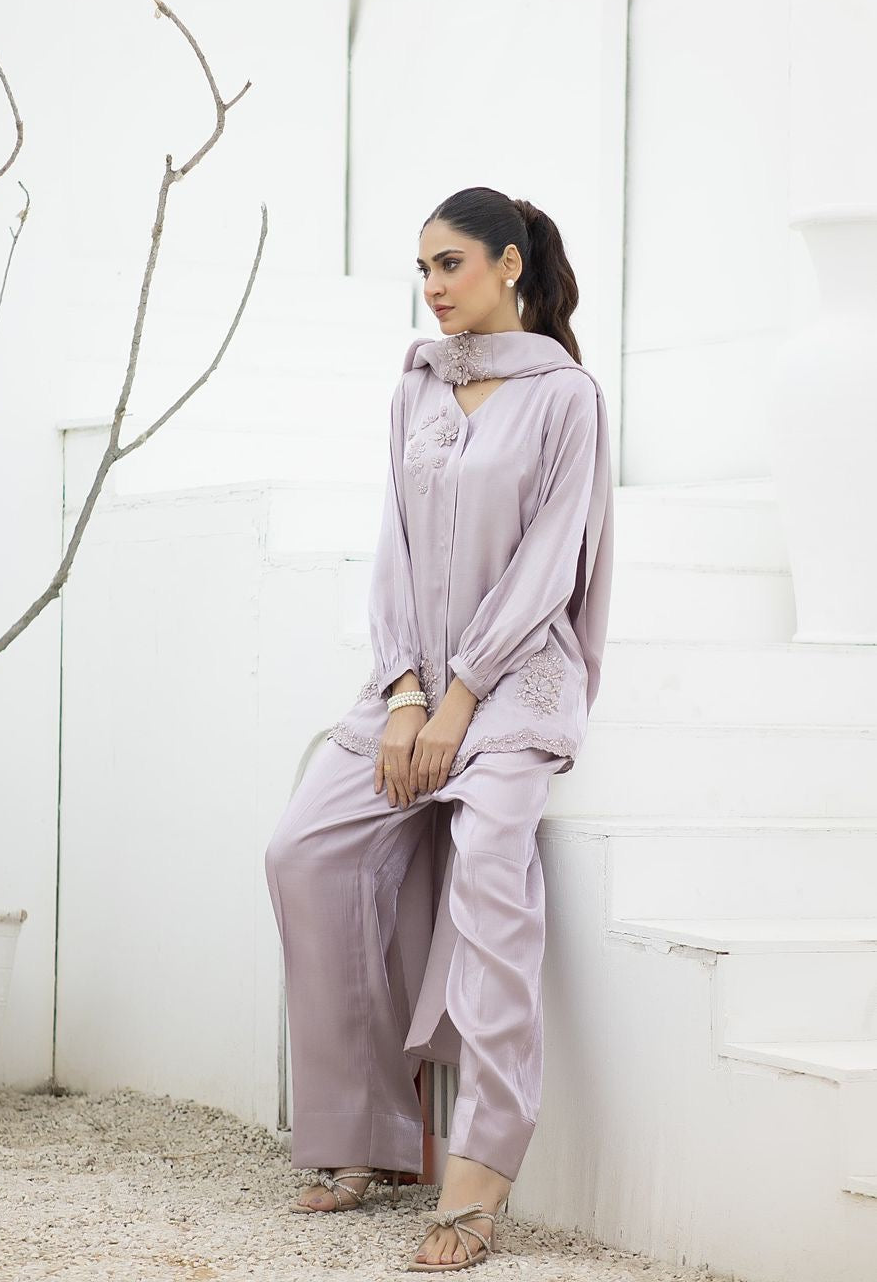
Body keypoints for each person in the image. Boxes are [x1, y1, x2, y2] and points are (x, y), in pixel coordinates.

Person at [264, 187, 614, 1272]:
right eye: (422, 269)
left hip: (516, 681)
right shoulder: (417, 385)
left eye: (449, 263)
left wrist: (460, 700)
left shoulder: (567, 397)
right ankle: (365, 1130)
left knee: (492, 868)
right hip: (413, 677)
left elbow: (550, 565)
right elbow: (396, 549)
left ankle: (482, 1173)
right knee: (305, 850)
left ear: (509, 263)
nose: (432, 287)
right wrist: (407, 692)